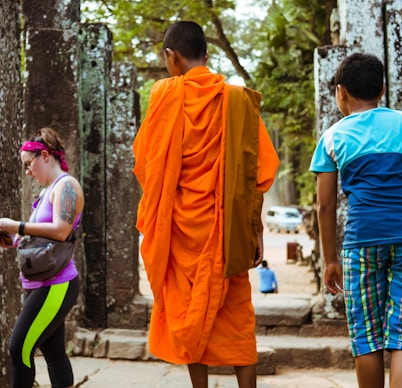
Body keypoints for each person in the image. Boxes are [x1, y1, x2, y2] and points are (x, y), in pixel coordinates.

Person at [133, 21, 280, 388]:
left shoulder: (165, 94)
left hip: (180, 232)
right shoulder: (237, 99)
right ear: (207, 54)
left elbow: (147, 164)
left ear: (172, 56)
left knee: (188, 317)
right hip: (227, 232)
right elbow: (257, 172)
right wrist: (254, 227)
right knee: (235, 321)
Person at [309, 53, 402, 388]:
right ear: (382, 89)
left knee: (367, 333)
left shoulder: (332, 137)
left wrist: (330, 260)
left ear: (340, 92)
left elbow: (325, 207)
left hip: (362, 240)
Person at [0, 127, 84, 388]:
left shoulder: (67, 186)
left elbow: (62, 231)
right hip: (40, 283)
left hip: (56, 284)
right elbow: (41, 237)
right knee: (53, 355)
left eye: (28, 165)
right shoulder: (47, 191)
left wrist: (17, 226)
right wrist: (11, 240)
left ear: (44, 156)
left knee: (18, 349)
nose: (28, 172)